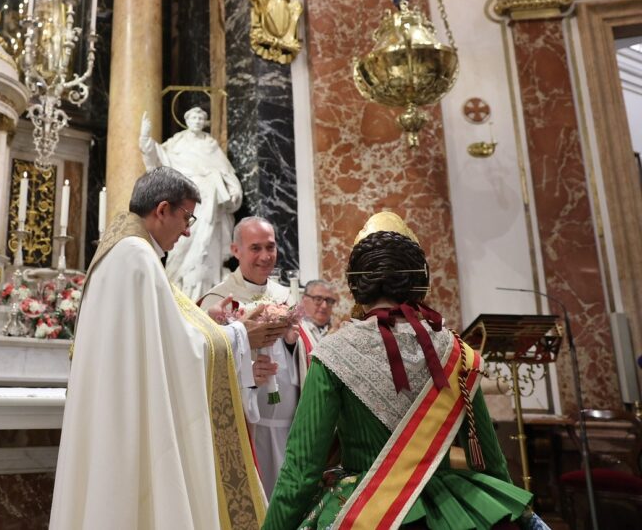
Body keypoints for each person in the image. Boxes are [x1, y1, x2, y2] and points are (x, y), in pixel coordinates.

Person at [264, 212, 538, 530]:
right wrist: (514, 513)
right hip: (451, 511)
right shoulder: (456, 351)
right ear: (418, 282)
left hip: (365, 509)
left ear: (356, 283)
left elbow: (301, 469)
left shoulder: (332, 353)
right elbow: (488, 457)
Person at [51, 167, 288, 530]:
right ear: (163, 210)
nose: (188, 230)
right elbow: (178, 350)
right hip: (128, 417)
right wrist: (240, 335)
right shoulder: (137, 256)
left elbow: (163, 331)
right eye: (187, 217)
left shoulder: (124, 251)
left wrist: (206, 319)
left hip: (117, 408)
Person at [201, 217, 330, 497]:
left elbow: (307, 353)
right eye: (255, 248)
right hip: (247, 426)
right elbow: (206, 363)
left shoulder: (285, 297)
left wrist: (293, 345)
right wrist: (246, 372)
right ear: (236, 250)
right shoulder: (217, 301)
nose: (265, 256)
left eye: (270, 247)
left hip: (290, 425)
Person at [139, 106, 242, 299]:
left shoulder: (211, 145)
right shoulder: (177, 143)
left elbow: (227, 172)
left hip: (210, 201)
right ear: (186, 121)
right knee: (181, 245)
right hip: (183, 200)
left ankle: (206, 296)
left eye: (200, 118)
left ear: (204, 122)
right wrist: (145, 138)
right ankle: (179, 292)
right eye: (193, 117)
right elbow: (157, 158)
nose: (197, 121)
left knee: (206, 251)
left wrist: (234, 189)